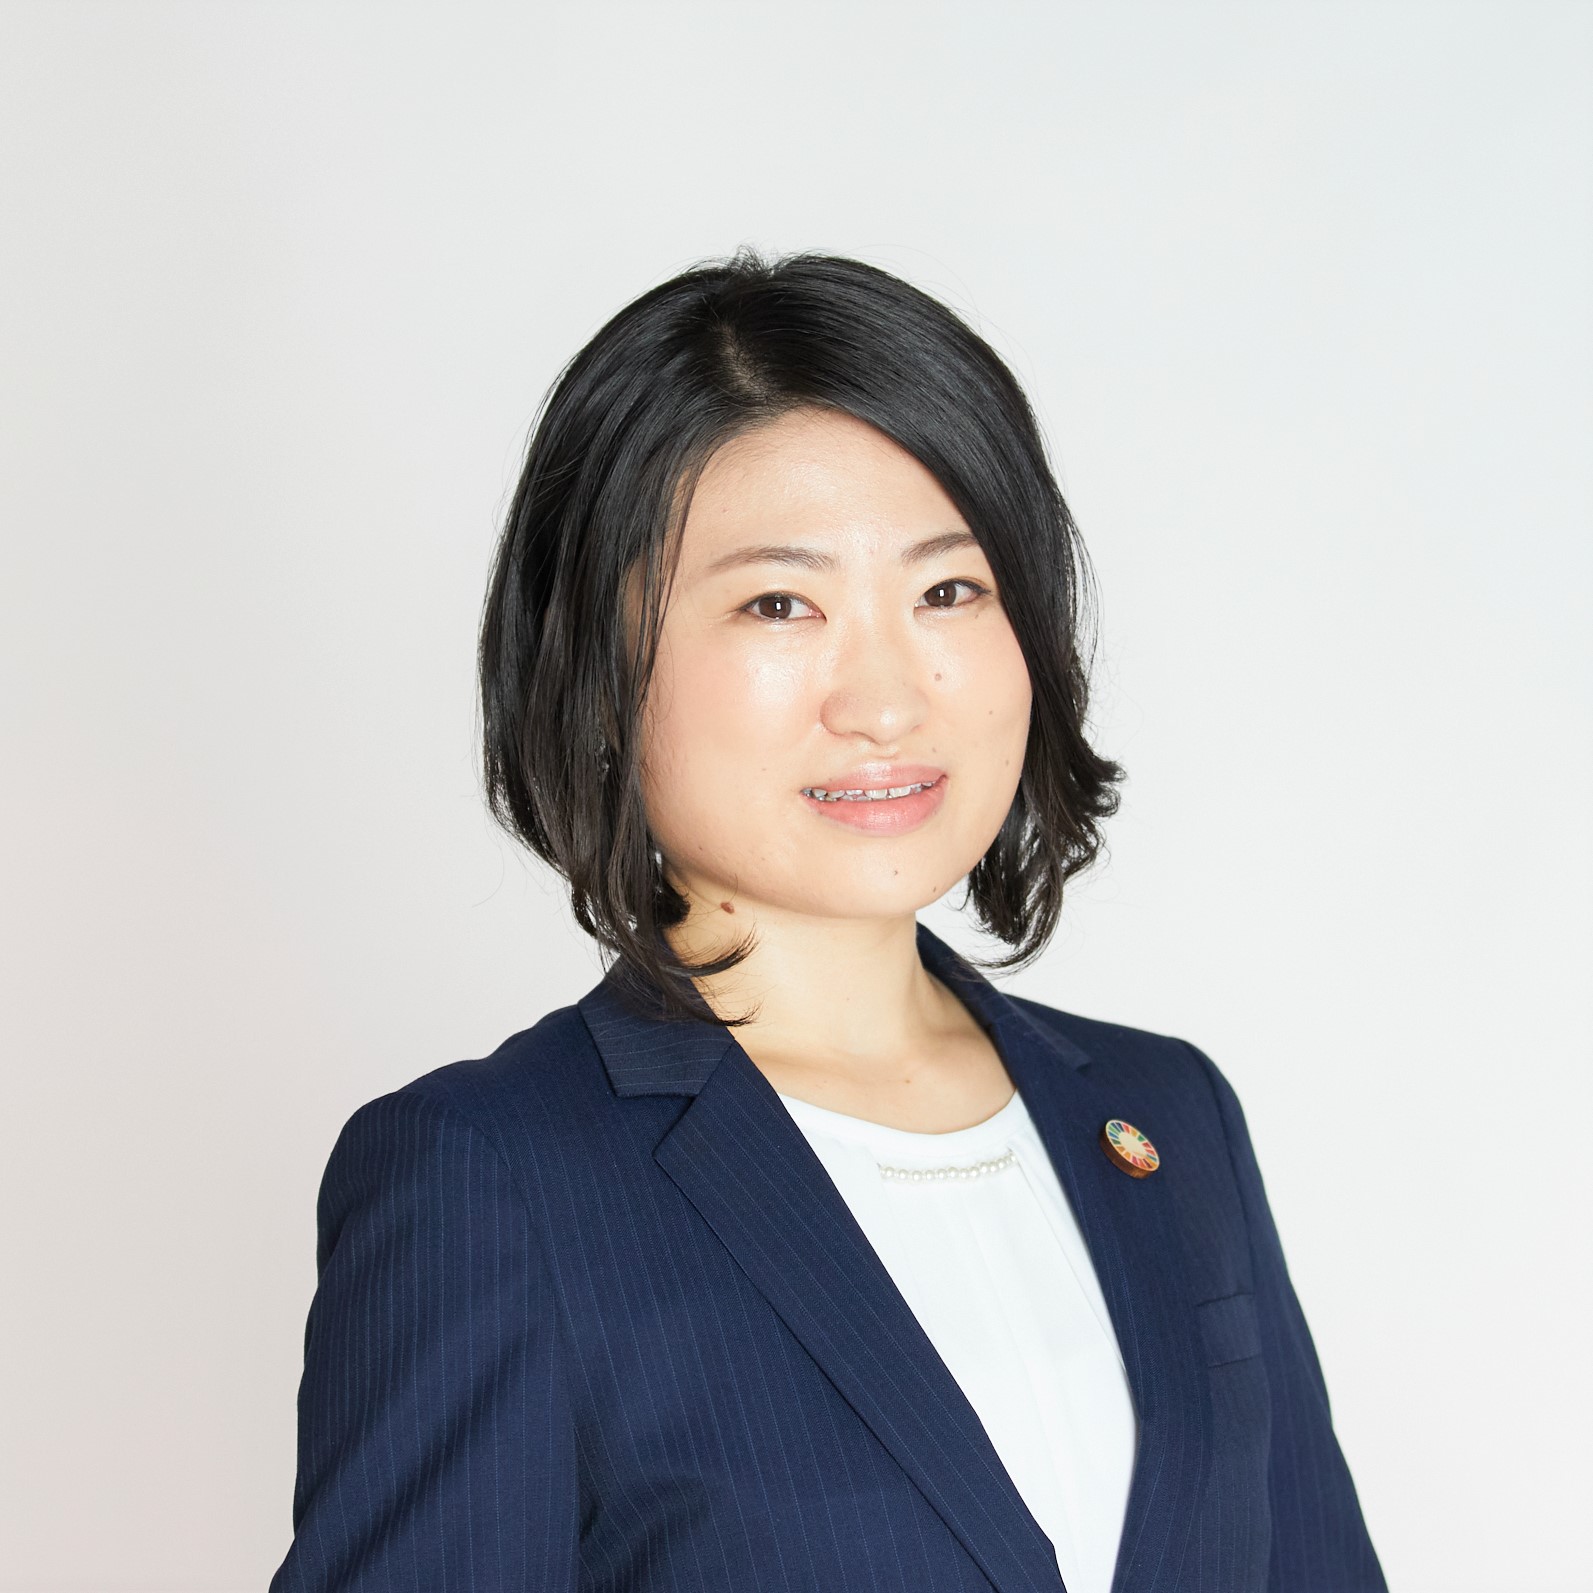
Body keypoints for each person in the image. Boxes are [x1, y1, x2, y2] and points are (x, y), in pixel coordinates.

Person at [268, 249, 1387, 1592]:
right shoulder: (491, 1178)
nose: (884, 699)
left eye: (947, 592)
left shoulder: (1168, 1116)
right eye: (778, 604)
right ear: (600, 666)